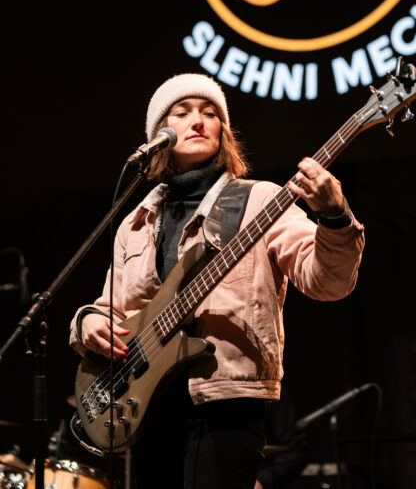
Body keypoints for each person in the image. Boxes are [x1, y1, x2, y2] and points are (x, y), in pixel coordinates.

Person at [69, 73, 365, 489]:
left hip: (225, 407)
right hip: (144, 409)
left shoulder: (260, 201)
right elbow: (113, 309)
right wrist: (88, 322)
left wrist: (334, 217)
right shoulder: (135, 223)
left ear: (223, 132)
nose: (198, 121)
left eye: (210, 113)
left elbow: (327, 282)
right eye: (182, 112)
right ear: (158, 135)